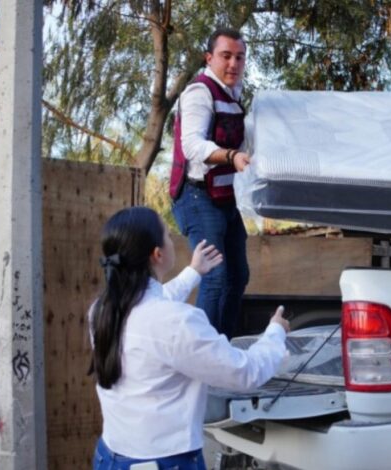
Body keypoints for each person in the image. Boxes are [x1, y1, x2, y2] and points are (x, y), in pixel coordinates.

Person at [89, 206, 289, 470]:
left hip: (109, 457)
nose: (173, 239)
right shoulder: (175, 321)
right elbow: (245, 372)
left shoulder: (103, 309)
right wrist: (275, 333)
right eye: (168, 235)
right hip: (162, 463)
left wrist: (193, 272)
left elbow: (155, 305)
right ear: (157, 254)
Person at [170, 28, 251, 338]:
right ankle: (202, 353)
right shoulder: (199, 92)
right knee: (215, 276)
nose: (233, 63)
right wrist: (232, 156)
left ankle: (223, 346)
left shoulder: (235, 94)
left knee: (238, 276)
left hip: (225, 198)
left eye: (239, 57)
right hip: (197, 197)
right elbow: (192, 146)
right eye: (226, 56)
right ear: (209, 58)